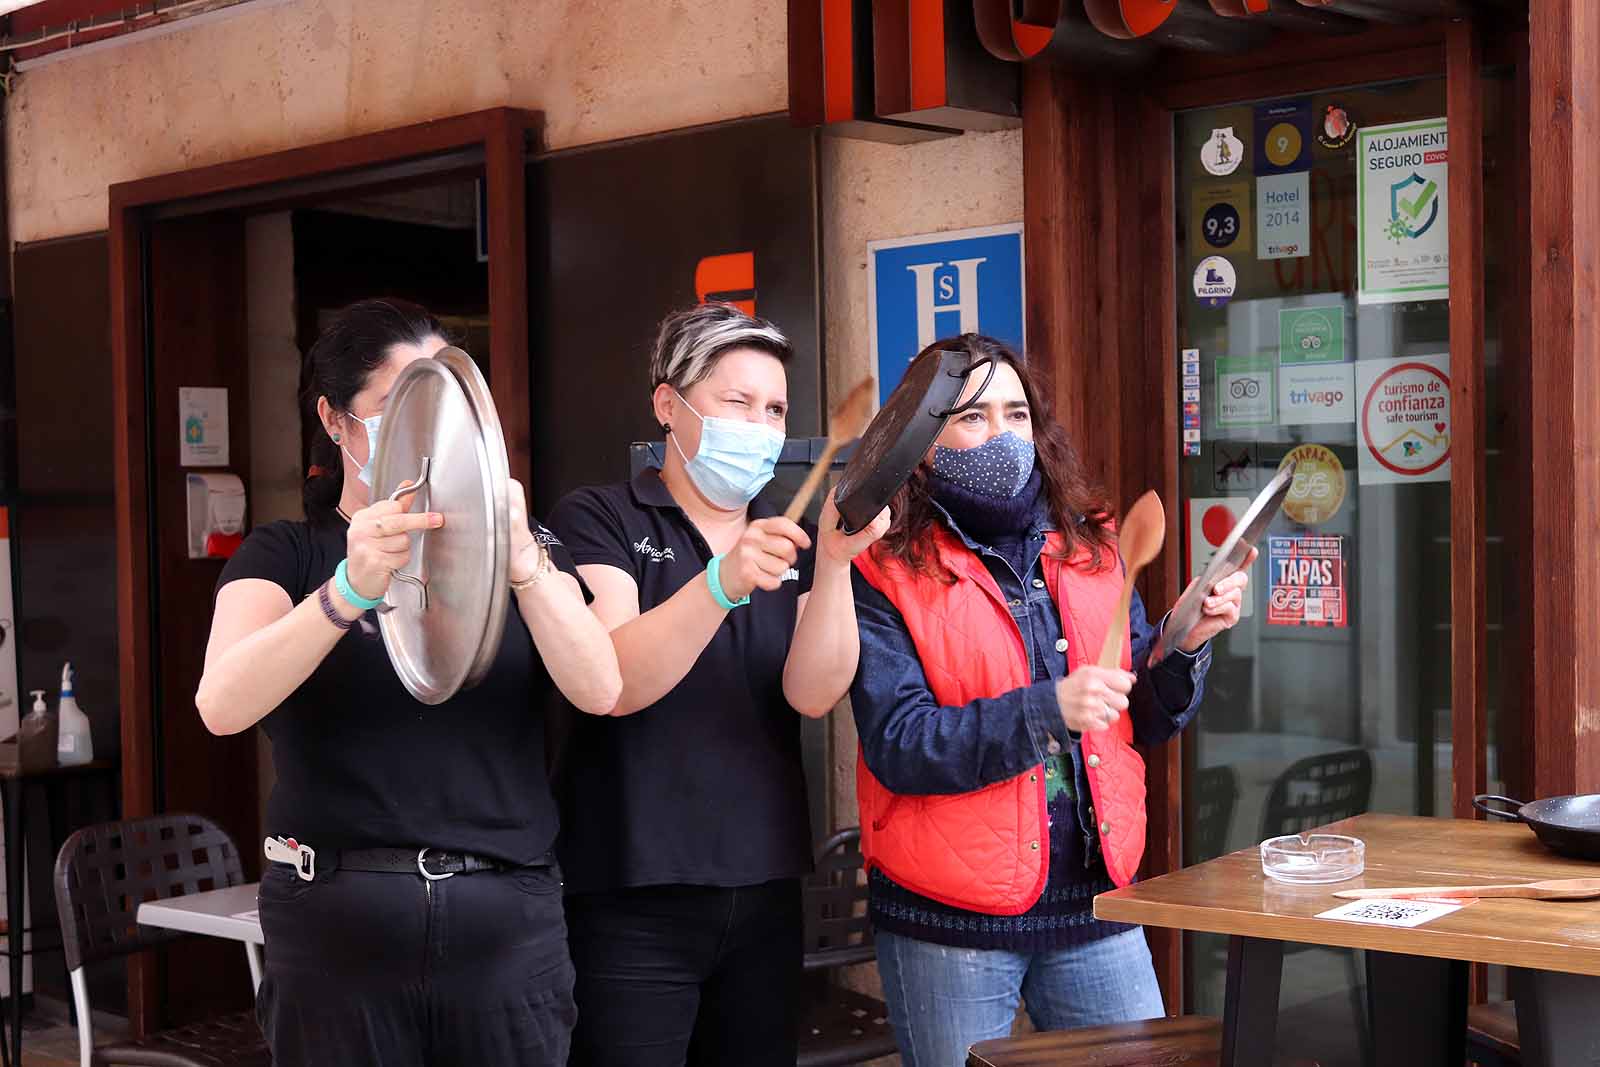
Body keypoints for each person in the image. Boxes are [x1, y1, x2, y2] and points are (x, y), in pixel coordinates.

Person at [196, 298, 621, 1067]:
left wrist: (523, 560)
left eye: (441, 415)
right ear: (335, 421)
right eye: (394, 411)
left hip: (505, 920)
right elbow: (221, 703)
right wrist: (346, 592)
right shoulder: (286, 553)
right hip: (337, 922)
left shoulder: (530, 550)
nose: (421, 442)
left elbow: (599, 687)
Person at [848, 334, 1253, 1067]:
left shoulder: (1092, 540)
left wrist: (1185, 640)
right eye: (972, 418)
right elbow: (900, 742)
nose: (1001, 436)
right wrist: (1046, 710)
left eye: (1016, 414)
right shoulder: (882, 564)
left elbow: (1140, 716)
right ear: (923, 439)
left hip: (1095, 903)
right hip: (949, 919)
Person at [547, 302, 890, 1067]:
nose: (760, 425)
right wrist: (722, 581)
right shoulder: (599, 517)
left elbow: (814, 692)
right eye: (737, 402)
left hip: (764, 879)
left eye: (774, 409)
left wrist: (834, 565)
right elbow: (614, 679)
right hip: (630, 886)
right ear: (668, 405)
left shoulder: (788, 533)